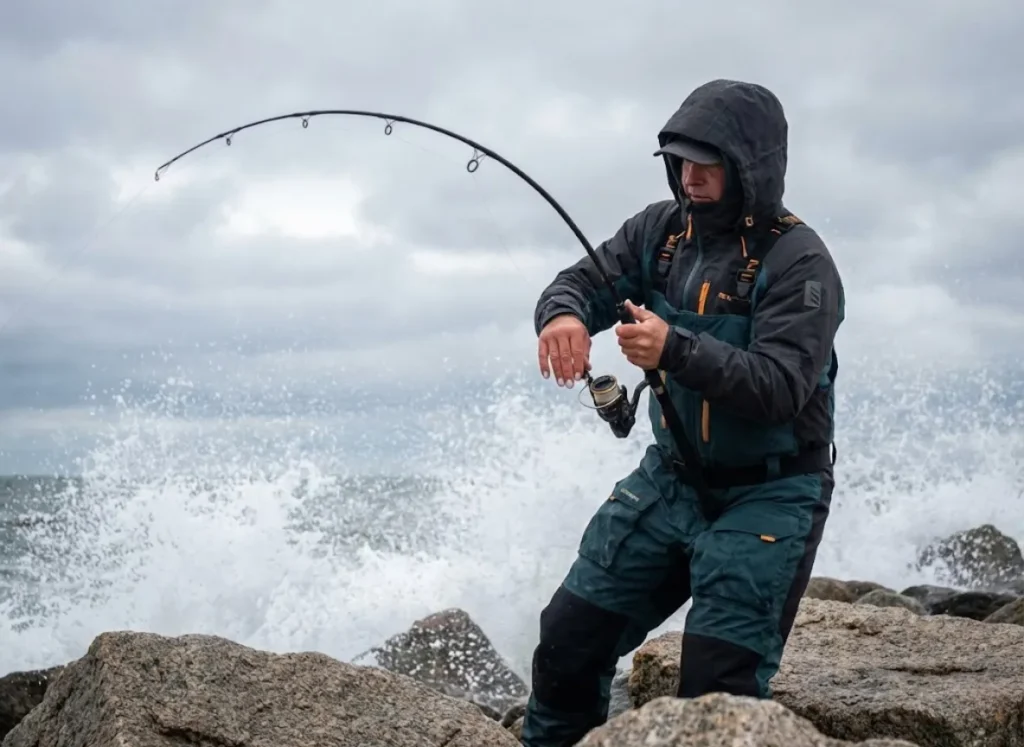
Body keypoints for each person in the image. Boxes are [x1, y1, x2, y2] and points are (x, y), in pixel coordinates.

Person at [520, 79, 845, 746]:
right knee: (567, 642)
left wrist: (675, 349)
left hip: (771, 494)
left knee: (714, 698)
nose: (690, 176)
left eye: (708, 163)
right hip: (670, 481)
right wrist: (562, 317)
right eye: (680, 160)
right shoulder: (659, 234)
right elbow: (579, 281)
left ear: (750, 168)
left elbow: (780, 387)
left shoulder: (801, 262)